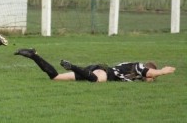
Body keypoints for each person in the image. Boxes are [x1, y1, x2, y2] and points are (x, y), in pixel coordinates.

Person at [14, 48, 176, 82]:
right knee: (98, 81)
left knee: (55, 77)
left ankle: (34, 56)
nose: (151, 79)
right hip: (104, 72)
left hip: (92, 70)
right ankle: (73, 66)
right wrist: (163, 71)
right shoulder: (139, 67)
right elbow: (149, 73)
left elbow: (147, 76)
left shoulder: (136, 75)